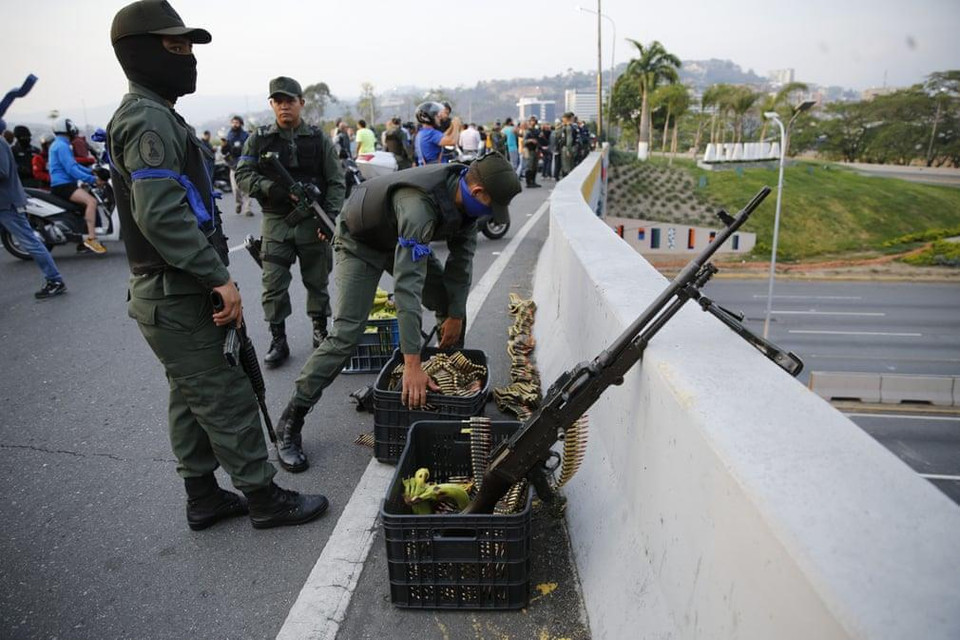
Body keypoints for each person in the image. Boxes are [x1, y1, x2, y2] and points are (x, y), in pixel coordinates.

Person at [107, 0, 328, 530]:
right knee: (224, 394)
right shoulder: (147, 118)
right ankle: (264, 498)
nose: (188, 60)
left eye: (189, 49)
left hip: (167, 290)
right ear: (139, 53)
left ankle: (203, 497)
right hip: (178, 289)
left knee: (190, 395)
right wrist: (217, 276)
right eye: (176, 48)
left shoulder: (157, 113)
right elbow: (160, 215)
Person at [270, 152, 522, 472]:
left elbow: (460, 267)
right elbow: (407, 289)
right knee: (347, 333)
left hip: (398, 238)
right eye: (491, 207)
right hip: (359, 243)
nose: (491, 214)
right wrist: (413, 363)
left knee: (449, 303)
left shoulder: (466, 206)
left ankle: (450, 390)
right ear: (477, 193)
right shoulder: (420, 208)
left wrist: (455, 315)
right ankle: (291, 420)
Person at [234, 76, 345, 368]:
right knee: (273, 284)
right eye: (278, 101)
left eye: (290, 101)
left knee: (317, 280)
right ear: (272, 104)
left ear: (301, 103)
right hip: (276, 222)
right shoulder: (258, 139)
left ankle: (320, 330)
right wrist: (271, 188)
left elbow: (336, 181)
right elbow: (243, 175)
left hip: (313, 220)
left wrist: (329, 216)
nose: (284, 106)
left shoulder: (318, 138)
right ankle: (277, 338)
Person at [0, 117, 67, 299]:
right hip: (7, 201)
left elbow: (3, 171)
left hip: (7, 203)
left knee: (30, 242)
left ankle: (55, 280)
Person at [48, 117, 107, 254]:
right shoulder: (62, 146)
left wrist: (91, 171)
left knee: (83, 207)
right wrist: (92, 179)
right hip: (64, 185)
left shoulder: (59, 144)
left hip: (64, 184)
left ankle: (83, 242)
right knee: (91, 202)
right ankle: (92, 239)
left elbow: (73, 165)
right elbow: (71, 169)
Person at [220, 115, 250, 215]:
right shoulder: (229, 136)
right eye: (233, 122)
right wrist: (224, 146)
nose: (234, 124)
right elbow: (225, 152)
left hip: (244, 164)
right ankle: (238, 203)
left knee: (245, 187)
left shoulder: (245, 135)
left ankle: (247, 208)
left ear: (240, 123)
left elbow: (249, 148)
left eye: (236, 122)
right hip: (233, 165)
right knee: (235, 188)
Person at [413, 101, 460, 165]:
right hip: (435, 170)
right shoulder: (430, 133)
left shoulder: (422, 133)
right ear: (430, 117)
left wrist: (451, 128)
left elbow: (442, 137)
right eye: (437, 115)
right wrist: (456, 126)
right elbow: (452, 141)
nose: (439, 117)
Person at [522, 116, 541, 188]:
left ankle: (533, 181)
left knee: (535, 166)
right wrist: (531, 140)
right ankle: (528, 182)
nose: (533, 122)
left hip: (536, 150)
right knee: (529, 166)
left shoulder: (537, 130)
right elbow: (524, 141)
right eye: (531, 121)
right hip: (529, 150)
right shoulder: (527, 131)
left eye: (534, 121)